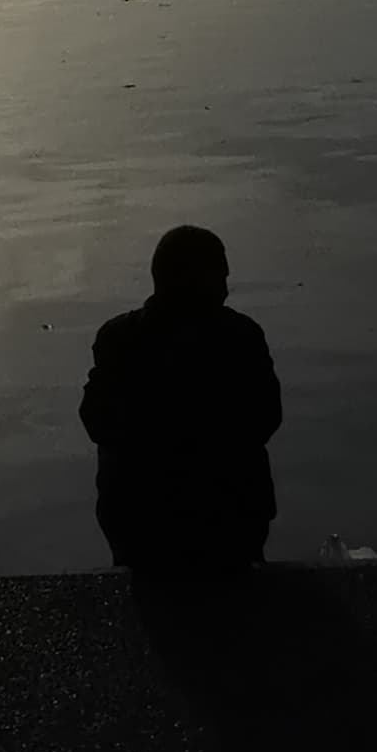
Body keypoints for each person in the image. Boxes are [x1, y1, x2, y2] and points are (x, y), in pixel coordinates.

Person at [78, 225, 282, 577]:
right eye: (221, 277)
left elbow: (95, 421)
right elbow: (267, 418)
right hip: (230, 515)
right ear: (203, 280)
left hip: (139, 521)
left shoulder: (117, 339)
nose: (226, 289)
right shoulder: (241, 337)